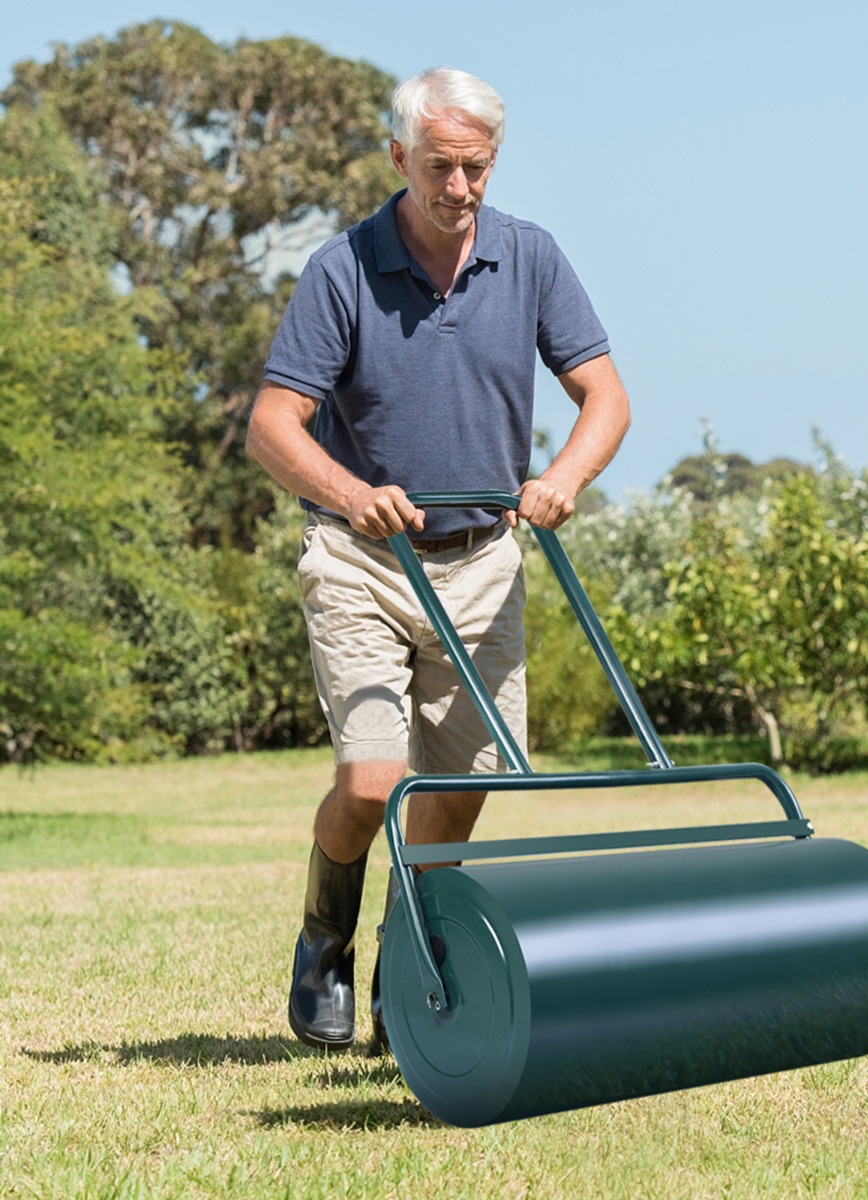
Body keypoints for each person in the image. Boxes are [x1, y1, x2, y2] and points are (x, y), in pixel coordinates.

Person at [245, 66, 630, 1053]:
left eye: (476, 168)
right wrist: (350, 493)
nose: (458, 188)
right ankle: (323, 943)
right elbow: (272, 426)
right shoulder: (343, 268)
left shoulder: (530, 257)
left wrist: (563, 479)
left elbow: (606, 397)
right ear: (398, 157)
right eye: (439, 167)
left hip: (483, 560)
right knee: (374, 783)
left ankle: (406, 963)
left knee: (461, 789)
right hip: (363, 560)